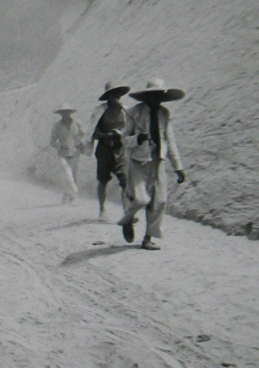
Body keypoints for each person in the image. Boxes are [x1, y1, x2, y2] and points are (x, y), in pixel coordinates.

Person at [118, 78, 186, 250]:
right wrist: (138, 139)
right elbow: (124, 140)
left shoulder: (165, 114)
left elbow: (170, 141)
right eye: (154, 95)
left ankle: (148, 238)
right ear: (147, 96)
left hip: (158, 160)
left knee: (160, 200)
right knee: (141, 199)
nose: (157, 99)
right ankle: (128, 219)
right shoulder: (134, 112)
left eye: (160, 95)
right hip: (138, 161)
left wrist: (178, 167)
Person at [88, 82, 132, 219]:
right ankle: (102, 210)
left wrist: (121, 133)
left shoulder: (126, 111)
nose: (116, 98)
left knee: (125, 180)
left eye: (118, 95)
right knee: (103, 180)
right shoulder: (100, 111)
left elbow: (130, 130)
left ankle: (127, 213)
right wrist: (109, 135)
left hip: (120, 150)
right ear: (108, 97)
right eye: (113, 95)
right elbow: (93, 133)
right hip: (104, 150)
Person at [50, 104, 85, 203]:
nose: (65, 114)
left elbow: (83, 133)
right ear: (60, 114)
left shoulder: (77, 123)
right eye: (63, 112)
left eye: (67, 112)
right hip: (63, 153)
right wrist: (60, 146)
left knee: (74, 175)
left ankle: (69, 196)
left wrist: (78, 142)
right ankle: (74, 191)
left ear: (70, 113)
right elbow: (52, 141)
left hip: (75, 152)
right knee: (67, 174)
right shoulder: (57, 126)